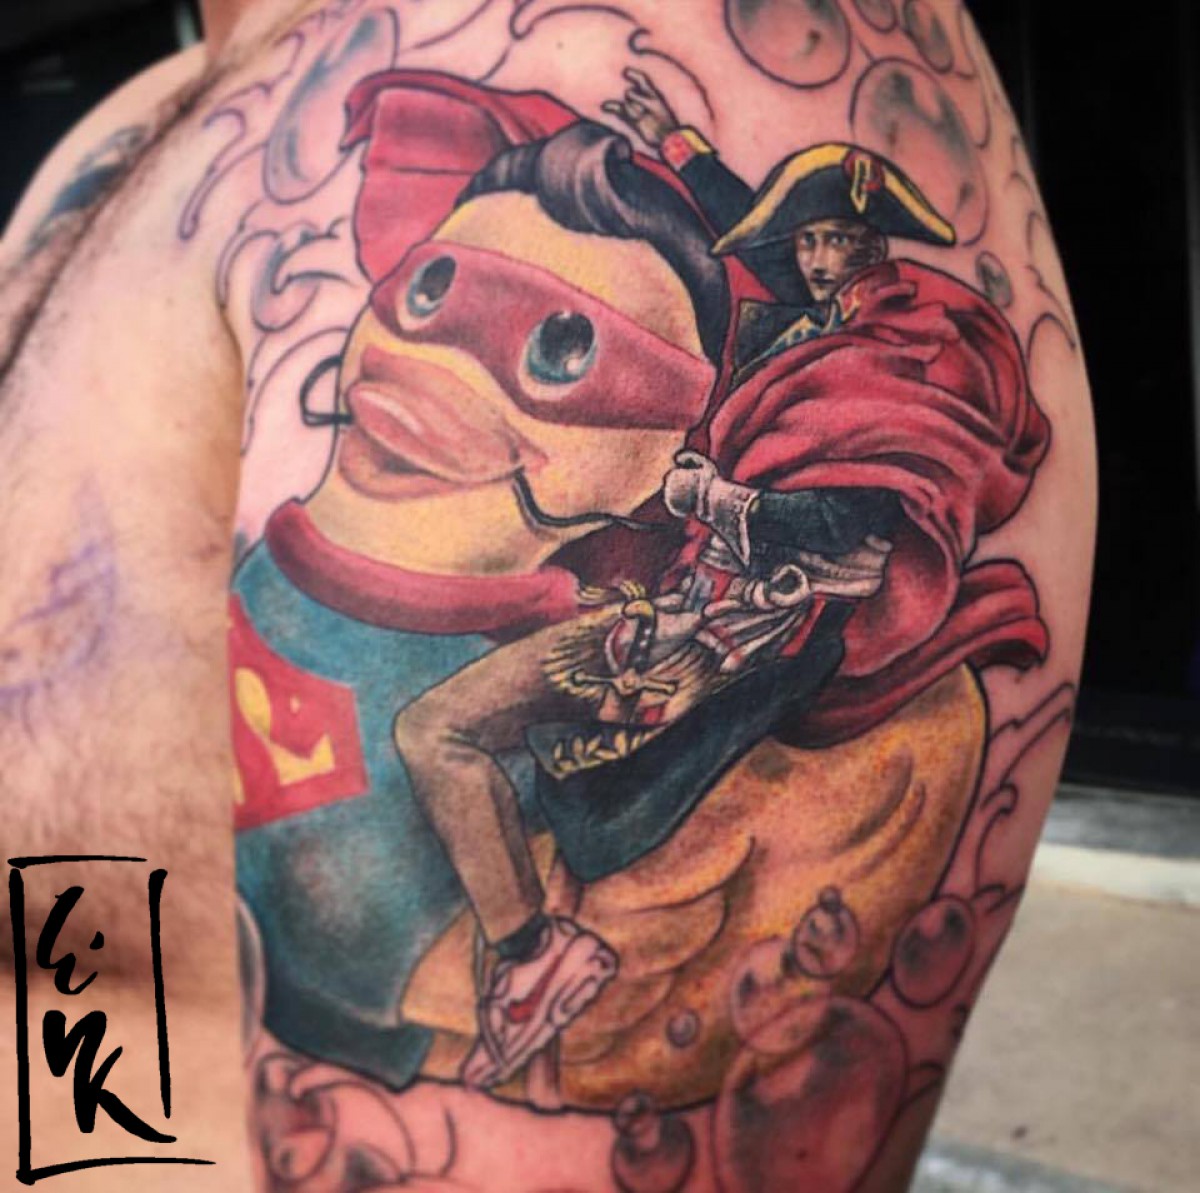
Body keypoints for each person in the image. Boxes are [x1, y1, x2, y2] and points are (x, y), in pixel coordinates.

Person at [0, 2, 1096, 1190]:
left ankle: (532, 954)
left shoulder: (713, 62)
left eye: (557, 346)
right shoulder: (129, 134)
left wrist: (722, 512)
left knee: (450, 734)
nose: (820, 260)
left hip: (732, 629)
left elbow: (872, 515)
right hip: (675, 606)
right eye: (430, 293)